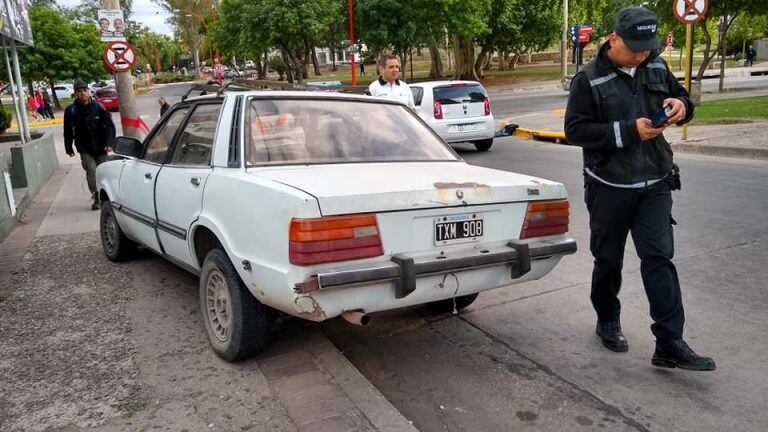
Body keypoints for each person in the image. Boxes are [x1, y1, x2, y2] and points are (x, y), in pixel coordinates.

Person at [564, 7, 716, 372]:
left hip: (655, 183)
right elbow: (576, 130)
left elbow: (682, 98)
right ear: (614, 39)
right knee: (608, 261)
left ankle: (669, 343)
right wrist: (628, 131)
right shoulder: (589, 79)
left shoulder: (657, 66)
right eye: (635, 48)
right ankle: (608, 319)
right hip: (609, 187)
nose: (642, 54)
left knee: (659, 260)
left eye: (647, 47)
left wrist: (682, 106)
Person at [64, 80, 116, 211]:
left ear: (88, 91)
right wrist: (68, 147)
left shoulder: (99, 107)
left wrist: (110, 143)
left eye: (84, 90)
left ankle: (107, 196)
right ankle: (96, 197)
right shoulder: (71, 110)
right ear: (75, 94)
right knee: (92, 172)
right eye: (79, 91)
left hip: (101, 146)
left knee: (102, 172)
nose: (83, 93)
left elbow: (110, 125)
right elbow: (67, 130)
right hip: (84, 147)